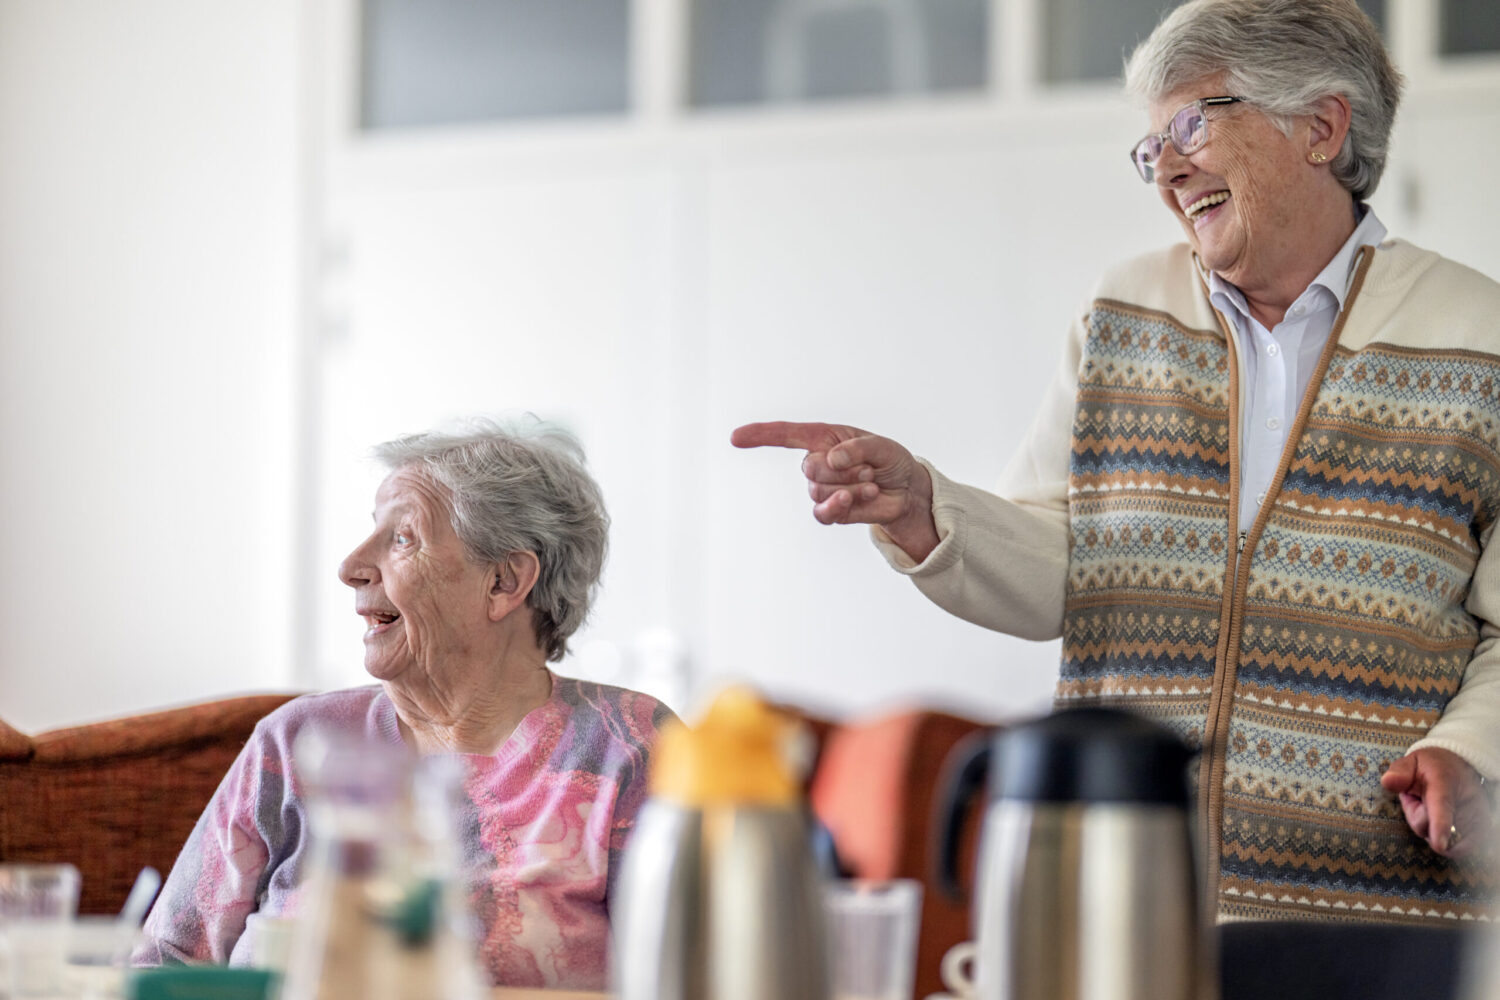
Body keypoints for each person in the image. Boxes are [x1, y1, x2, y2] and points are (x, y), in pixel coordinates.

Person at [735, 0, 1499, 923]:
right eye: (1151, 148)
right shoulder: (1122, 311)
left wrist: (1472, 751)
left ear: (1321, 127)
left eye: (1191, 125)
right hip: (1119, 898)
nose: (1167, 170)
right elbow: (1064, 564)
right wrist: (923, 508)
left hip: (1367, 918)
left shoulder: (1478, 339)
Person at [136, 420, 675, 989]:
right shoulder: (297, 743)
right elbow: (163, 966)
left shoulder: (630, 746)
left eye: (402, 538)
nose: (350, 568)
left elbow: (698, 981)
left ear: (505, 582)